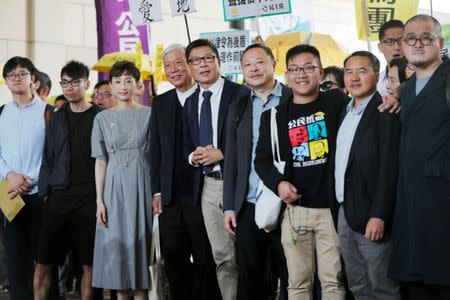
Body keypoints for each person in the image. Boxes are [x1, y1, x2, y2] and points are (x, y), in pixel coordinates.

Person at [254, 45, 348, 300]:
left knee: (333, 282)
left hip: (332, 210)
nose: (302, 74)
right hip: (295, 211)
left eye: (308, 68)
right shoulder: (273, 116)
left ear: (320, 72)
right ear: (287, 74)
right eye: (295, 69)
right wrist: (279, 183)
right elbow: (261, 161)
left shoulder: (337, 103)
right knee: (297, 284)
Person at [150, 44, 221, 300]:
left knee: (205, 256)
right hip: (170, 195)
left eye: (178, 63)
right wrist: (156, 189)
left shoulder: (207, 97)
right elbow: (155, 149)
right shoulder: (161, 102)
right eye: (167, 65)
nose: (173, 70)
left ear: (190, 65)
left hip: (202, 191)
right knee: (173, 256)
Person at [389, 14, 450, 300]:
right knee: (417, 280)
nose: (418, 43)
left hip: (443, 196)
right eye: (411, 38)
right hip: (411, 196)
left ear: (439, 42)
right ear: (403, 44)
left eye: (426, 37)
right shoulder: (406, 89)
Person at [332, 50, 401, 300]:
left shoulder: (385, 110)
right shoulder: (345, 110)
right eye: (349, 72)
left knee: (382, 286)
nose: (354, 77)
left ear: (376, 74)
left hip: (372, 212)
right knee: (358, 284)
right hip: (345, 210)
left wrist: (379, 214)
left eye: (362, 71)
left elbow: (389, 167)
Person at [183, 38, 248, 300]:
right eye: (196, 60)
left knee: (249, 254)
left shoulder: (241, 94)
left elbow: (251, 140)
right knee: (222, 256)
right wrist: (193, 157)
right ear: (190, 67)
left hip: (240, 184)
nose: (203, 64)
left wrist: (221, 153)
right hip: (208, 186)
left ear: (219, 61)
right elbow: (187, 143)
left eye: (208, 58)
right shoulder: (190, 102)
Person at [223, 43, 289, 300]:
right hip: (249, 203)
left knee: (292, 273)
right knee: (251, 276)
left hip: (287, 201)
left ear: (274, 64)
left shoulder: (292, 97)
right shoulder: (238, 107)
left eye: (259, 62)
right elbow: (231, 161)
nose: (254, 68)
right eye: (247, 64)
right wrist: (229, 206)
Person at [34, 60, 100, 300]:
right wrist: (45, 193)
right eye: (64, 83)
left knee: (89, 264)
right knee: (44, 261)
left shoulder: (100, 117)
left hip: (90, 197)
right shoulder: (57, 117)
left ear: (87, 84)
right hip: (58, 197)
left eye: (74, 82)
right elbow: (47, 157)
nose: (69, 88)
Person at [91, 61, 152, 300]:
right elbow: (100, 161)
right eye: (117, 81)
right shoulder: (102, 119)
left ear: (137, 84)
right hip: (113, 188)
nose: (123, 86)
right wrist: (99, 201)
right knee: (118, 256)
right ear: (111, 86)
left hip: (142, 183)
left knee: (142, 254)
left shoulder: (149, 114)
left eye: (128, 81)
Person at [0, 56, 52, 300]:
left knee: (45, 259)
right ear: (6, 81)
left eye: (22, 74)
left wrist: (29, 178)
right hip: (9, 196)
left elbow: (53, 154)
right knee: (15, 261)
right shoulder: (1, 113)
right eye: (11, 75)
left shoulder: (49, 112)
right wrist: (9, 175)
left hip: (39, 195)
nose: (16, 79)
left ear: (34, 78)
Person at [377, 20, 405, 96]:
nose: (397, 47)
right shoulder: (375, 83)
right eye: (390, 42)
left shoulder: (421, 76)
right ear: (380, 47)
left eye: (401, 41)